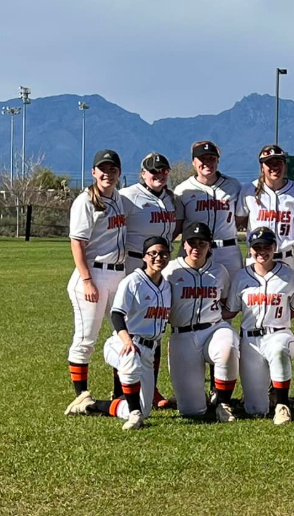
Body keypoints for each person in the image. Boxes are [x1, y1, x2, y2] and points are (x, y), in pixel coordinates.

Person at [65, 237, 173, 430]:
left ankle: (90, 405)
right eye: (153, 253)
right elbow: (116, 314)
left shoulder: (166, 286)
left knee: (145, 408)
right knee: (130, 359)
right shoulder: (133, 281)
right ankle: (134, 415)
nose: (159, 257)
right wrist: (127, 341)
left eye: (163, 253)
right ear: (144, 256)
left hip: (149, 348)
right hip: (122, 342)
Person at [64, 150, 127, 416]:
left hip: (118, 274)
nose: (107, 173)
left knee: (121, 335)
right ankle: (81, 395)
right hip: (93, 274)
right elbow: (77, 242)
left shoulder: (120, 199)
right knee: (86, 338)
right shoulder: (85, 201)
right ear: (93, 172)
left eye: (112, 169)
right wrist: (88, 280)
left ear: (119, 173)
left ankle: (120, 391)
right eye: (102, 169)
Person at [162, 222, 239, 422]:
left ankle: (223, 402)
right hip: (182, 335)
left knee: (227, 348)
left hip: (213, 329)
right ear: (184, 245)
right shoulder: (170, 271)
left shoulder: (220, 271)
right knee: (191, 411)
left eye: (202, 243)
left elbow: (224, 302)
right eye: (192, 243)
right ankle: (198, 396)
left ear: (210, 246)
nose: (196, 247)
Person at [224, 227, 294, 425]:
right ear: (250, 249)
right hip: (250, 340)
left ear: (275, 247)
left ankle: (282, 404)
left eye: (266, 246)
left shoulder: (287, 274)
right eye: (256, 247)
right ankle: (270, 396)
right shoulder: (242, 277)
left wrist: (280, 322)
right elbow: (231, 310)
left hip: (279, 334)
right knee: (256, 409)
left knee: (278, 350)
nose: (261, 251)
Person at [120, 152, 177, 409]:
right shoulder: (128, 195)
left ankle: (150, 387)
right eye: (152, 171)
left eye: (162, 171)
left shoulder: (170, 198)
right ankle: (121, 389)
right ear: (142, 173)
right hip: (134, 262)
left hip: (159, 265)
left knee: (155, 327)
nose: (157, 175)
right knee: (131, 328)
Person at [173, 141, 243, 277]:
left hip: (227, 251)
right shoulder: (183, 190)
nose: (207, 162)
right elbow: (178, 226)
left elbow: (241, 219)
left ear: (218, 161)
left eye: (211, 158)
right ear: (193, 162)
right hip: (194, 250)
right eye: (202, 159)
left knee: (230, 295)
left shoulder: (233, 185)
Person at [235, 144, 294, 272]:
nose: (274, 167)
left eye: (278, 162)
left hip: (285, 257)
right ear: (262, 167)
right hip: (257, 257)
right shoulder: (249, 190)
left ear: (284, 165)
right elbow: (239, 221)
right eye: (269, 163)